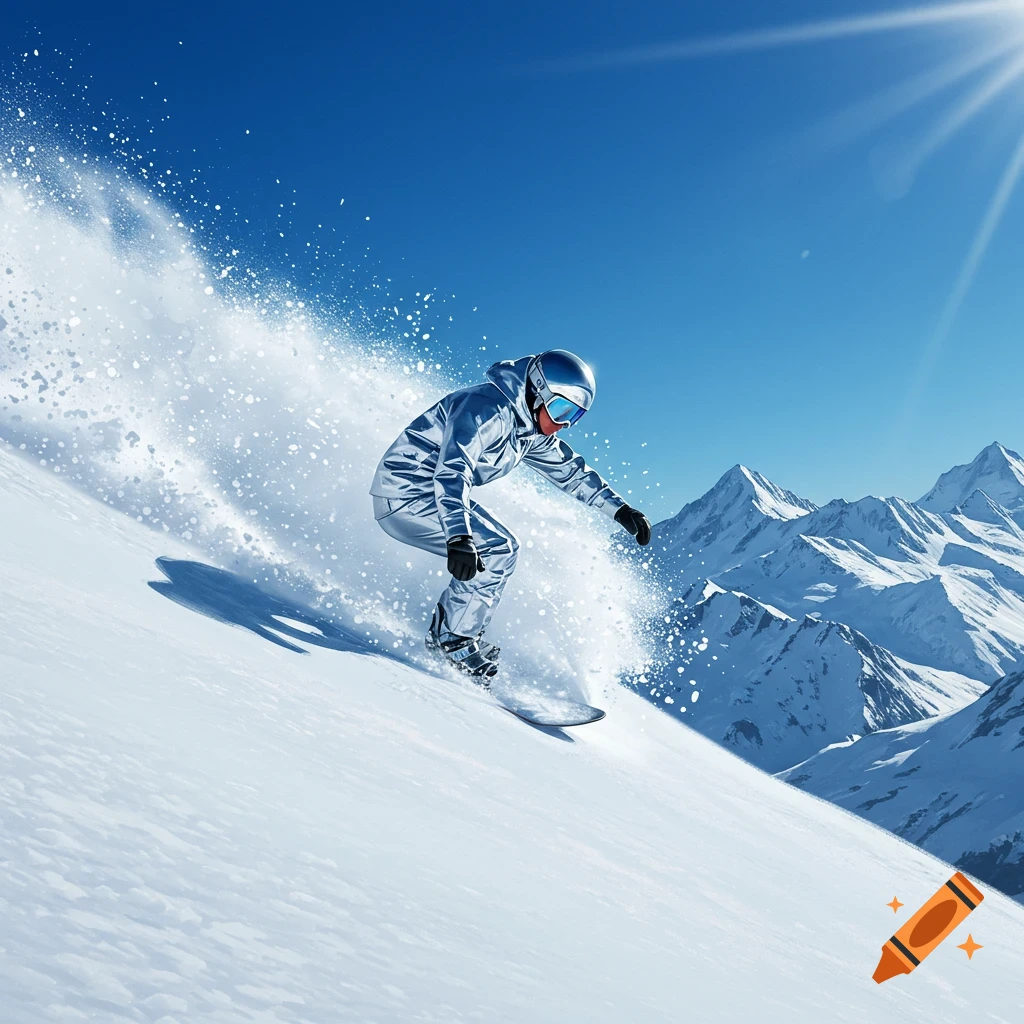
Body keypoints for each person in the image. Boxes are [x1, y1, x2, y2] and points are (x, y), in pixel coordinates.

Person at [370, 349, 651, 685]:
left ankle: (456, 636)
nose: (563, 424)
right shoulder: (484, 409)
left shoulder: (530, 428)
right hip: (404, 492)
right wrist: (459, 537)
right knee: (498, 549)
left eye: (574, 417)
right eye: (562, 409)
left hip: (430, 494)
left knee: (504, 547)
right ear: (538, 391)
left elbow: (571, 471)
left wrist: (619, 510)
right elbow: (453, 472)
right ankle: (451, 642)